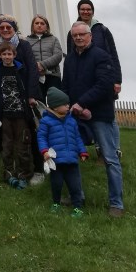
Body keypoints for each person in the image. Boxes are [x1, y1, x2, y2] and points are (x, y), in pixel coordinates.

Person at [62, 22, 124, 217]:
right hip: (76, 116)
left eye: (82, 34)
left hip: (100, 115)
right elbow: (66, 85)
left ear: (90, 36)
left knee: (110, 159)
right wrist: (64, 104)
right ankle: (76, 196)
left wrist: (83, 103)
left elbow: (104, 84)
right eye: (75, 36)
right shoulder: (70, 59)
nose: (78, 38)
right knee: (72, 157)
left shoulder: (101, 56)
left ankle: (116, 204)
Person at [0, 41, 34, 189]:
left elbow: (27, 87)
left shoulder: (21, 68)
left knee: (22, 145)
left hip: (21, 113)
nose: (7, 57)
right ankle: (9, 172)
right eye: (4, 54)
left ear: (14, 55)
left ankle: (23, 174)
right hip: (5, 115)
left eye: (10, 54)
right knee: (6, 145)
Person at [37, 87, 88, 218]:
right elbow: (41, 137)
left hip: (71, 161)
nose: (68, 106)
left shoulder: (71, 121)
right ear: (55, 106)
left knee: (75, 186)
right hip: (56, 161)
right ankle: (56, 203)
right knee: (56, 184)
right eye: (65, 104)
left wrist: (82, 152)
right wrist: (44, 151)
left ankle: (77, 207)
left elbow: (77, 138)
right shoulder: (46, 121)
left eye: (68, 104)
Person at [26, 15, 63, 102]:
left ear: (46, 26)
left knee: (56, 103)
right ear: (32, 26)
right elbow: (26, 58)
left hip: (53, 75)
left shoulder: (54, 39)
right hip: (35, 77)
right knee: (39, 104)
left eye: (42, 23)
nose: (39, 25)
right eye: (37, 23)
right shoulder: (26, 40)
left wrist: (42, 65)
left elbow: (58, 56)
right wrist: (36, 68)